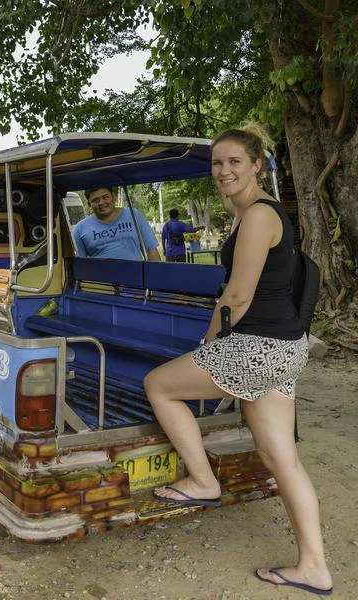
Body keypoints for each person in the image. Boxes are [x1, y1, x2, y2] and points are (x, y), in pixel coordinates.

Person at [143, 125, 332, 596]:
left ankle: (203, 480)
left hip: (256, 346)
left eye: (234, 162)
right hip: (285, 348)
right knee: (281, 459)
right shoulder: (255, 211)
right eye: (217, 163)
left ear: (257, 165)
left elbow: (238, 295)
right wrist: (233, 199)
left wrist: (208, 345)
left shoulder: (259, 216)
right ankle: (314, 567)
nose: (224, 170)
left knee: (159, 385)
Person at [72, 186, 160, 260]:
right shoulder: (79, 230)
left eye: (105, 197)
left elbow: (152, 251)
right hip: (100, 276)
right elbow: (81, 265)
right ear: (89, 204)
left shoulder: (134, 215)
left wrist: (156, 274)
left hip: (136, 275)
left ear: (113, 197)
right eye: (95, 200)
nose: (101, 202)